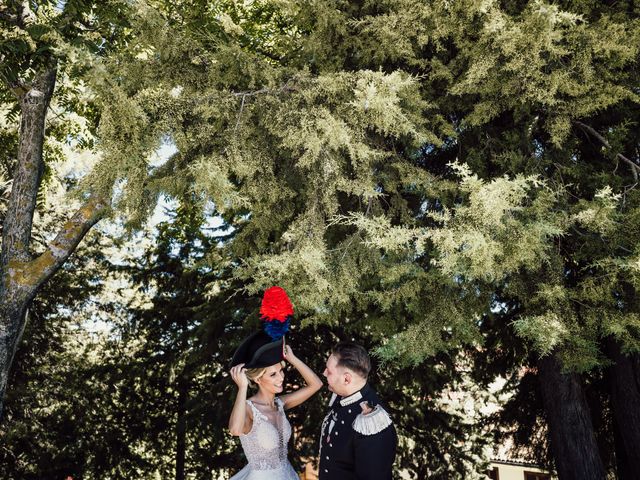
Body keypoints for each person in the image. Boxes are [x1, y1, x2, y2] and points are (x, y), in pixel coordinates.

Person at [228, 286, 323, 480]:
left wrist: (292, 359)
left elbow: (316, 385)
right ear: (257, 378)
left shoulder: (280, 404)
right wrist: (242, 388)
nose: (281, 378)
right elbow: (235, 430)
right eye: (272, 375)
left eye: (281, 371)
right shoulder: (248, 409)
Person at [319, 342, 397, 480]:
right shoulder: (343, 395)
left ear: (346, 379)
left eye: (329, 371)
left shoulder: (372, 423)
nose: (324, 373)